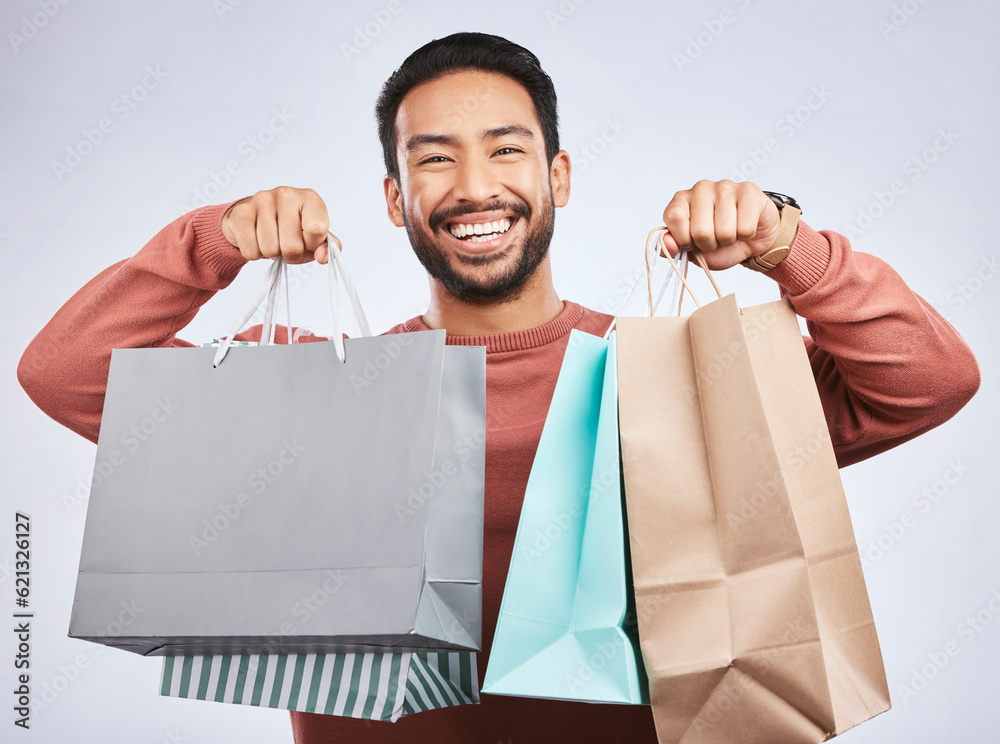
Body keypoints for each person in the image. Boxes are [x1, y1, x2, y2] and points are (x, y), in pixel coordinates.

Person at [18, 32, 979, 744]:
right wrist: (213, 240)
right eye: (432, 158)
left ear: (558, 175)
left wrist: (789, 244)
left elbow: (929, 382)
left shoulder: (680, 382)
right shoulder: (314, 401)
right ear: (395, 199)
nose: (474, 186)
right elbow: (60, 372)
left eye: (507, 149)